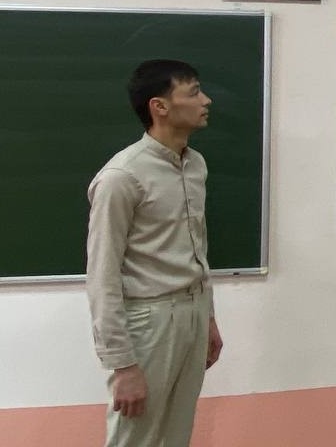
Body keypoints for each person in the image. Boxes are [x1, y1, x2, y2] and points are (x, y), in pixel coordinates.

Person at [86, 59, 224, 446]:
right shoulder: (122, 177)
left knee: (176, 435)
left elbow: (198, 246)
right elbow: (102, 275)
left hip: (193, 312)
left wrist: (208, 317)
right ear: (159, 107)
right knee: (135, 438)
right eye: (193, 92)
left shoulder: (195, 165)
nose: (206, 100)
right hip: (149, 321)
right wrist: (122, 364)